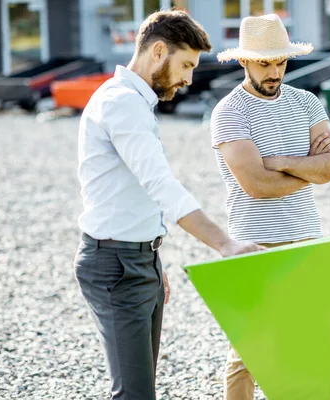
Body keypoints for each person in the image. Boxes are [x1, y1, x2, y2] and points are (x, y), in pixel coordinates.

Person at [73, 10, 263, 400]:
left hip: (137, 261)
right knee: (134, 395)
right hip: (115, 267)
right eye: (186, 65)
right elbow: (162, 186)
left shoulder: (135, 102)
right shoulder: (122, 103)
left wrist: (153, 259)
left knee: (141, 390)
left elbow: (138, 194)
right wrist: (225, 244)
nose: (190, 79)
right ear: (158, 50)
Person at [210, 13, 330, 400]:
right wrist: (311, 169)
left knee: (307, 344)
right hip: (254, 243)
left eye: (280, 62)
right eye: (264, 63)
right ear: (243, 61)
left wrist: (282, 162)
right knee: (250, 352)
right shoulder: (230, 112)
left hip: (306, 238)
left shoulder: (306, 102)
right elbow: (257, 185)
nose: (274, 72)